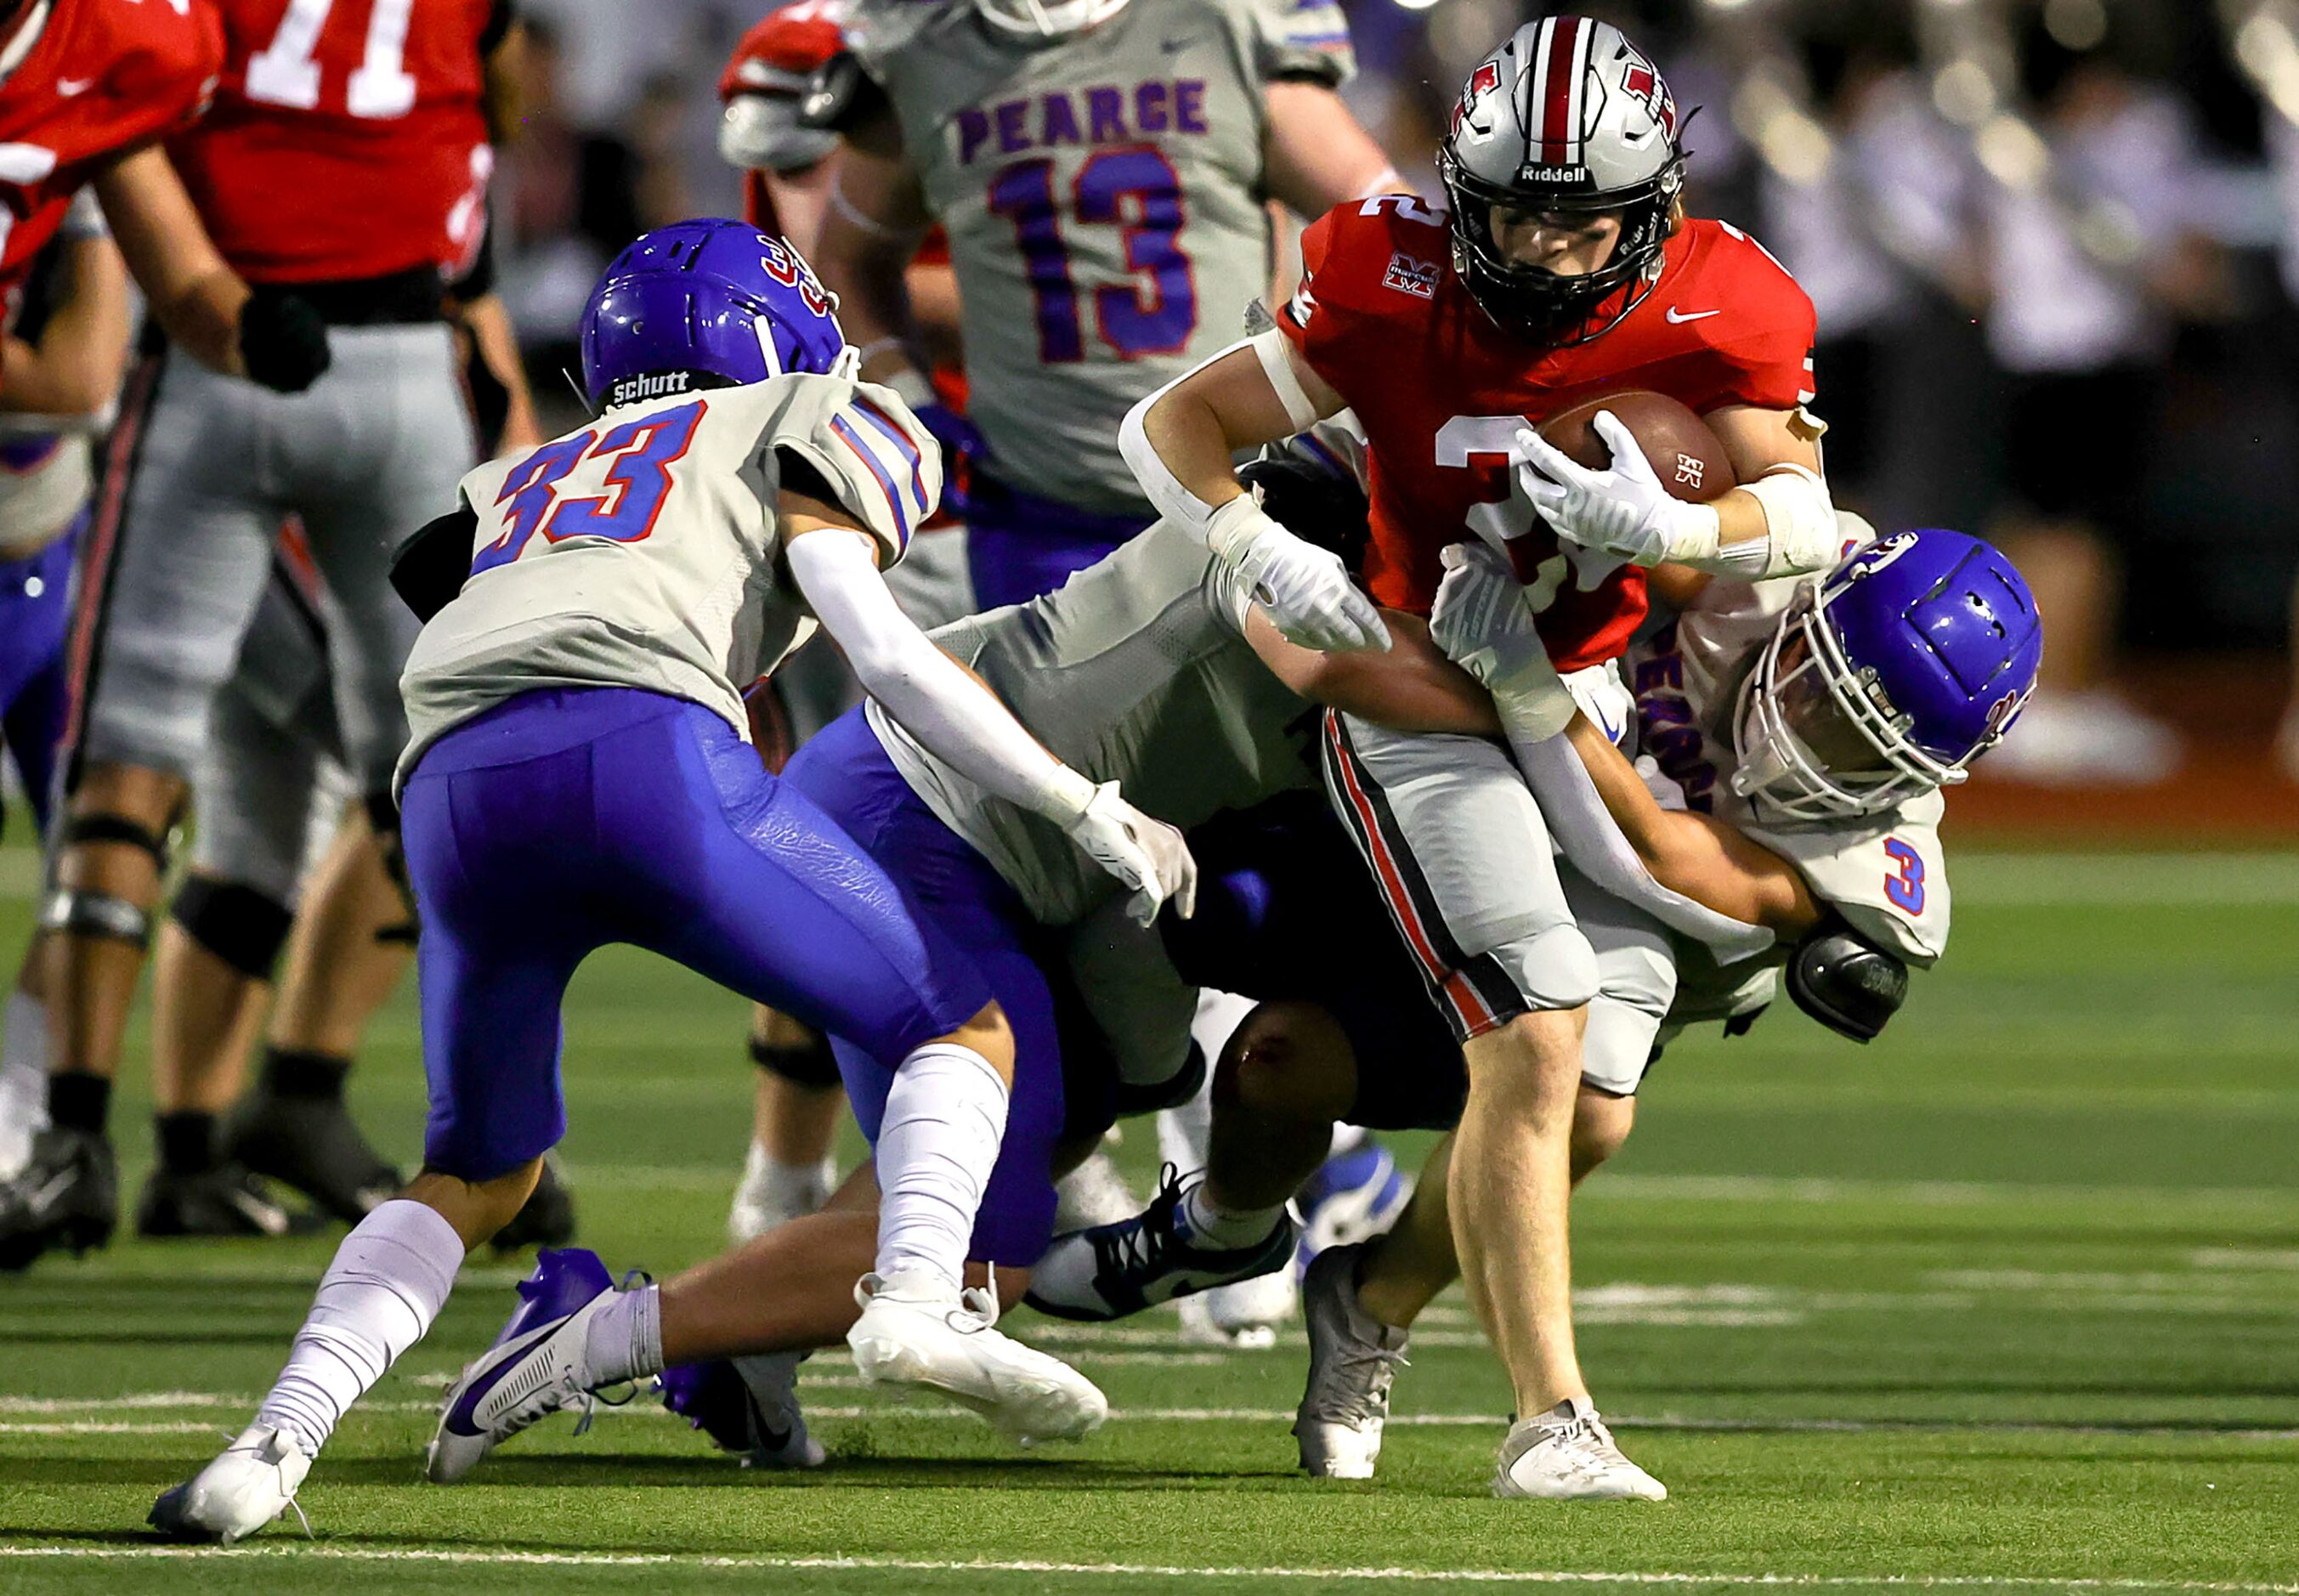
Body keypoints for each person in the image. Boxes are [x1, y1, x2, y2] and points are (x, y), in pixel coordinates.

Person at [147, 220, 1193, 1544]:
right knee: (957, 1023)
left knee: (480, 1172)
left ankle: (270, 1445)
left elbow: (473, 600)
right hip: (642, 751)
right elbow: (882, 648)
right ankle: (918, 1303)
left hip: (450, 790)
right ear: (778, 335)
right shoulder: (814, 412)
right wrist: (1082, 802)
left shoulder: (523, 472)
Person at [1118, 15, 1839, 1498]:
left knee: (1603, 1101)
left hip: (1581, 694)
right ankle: (1551, 1417)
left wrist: (1685, 531)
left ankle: (1365, 1296)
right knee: (1538, 1015)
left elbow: (1807, 507)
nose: (1538, 248)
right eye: (1509, 208)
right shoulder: (1386, 269)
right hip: (1411, 684)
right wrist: (1253, 539)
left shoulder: (1724, 297)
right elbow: (1172, 424)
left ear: (1649, 214)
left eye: (1580, 223)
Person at [0, 0, 515, 1270]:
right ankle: (476, 1136)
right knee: (425, 765)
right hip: (358, 359)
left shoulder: (125, 34)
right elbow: (474, 148)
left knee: (162, 758)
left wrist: (215, 305)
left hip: (242, 355)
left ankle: (89, 1128)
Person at [0, 194, 132, 1182]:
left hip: (58, 554)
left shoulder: (71, 134)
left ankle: (13, 1119)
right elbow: (78, 381)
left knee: (91, 856)